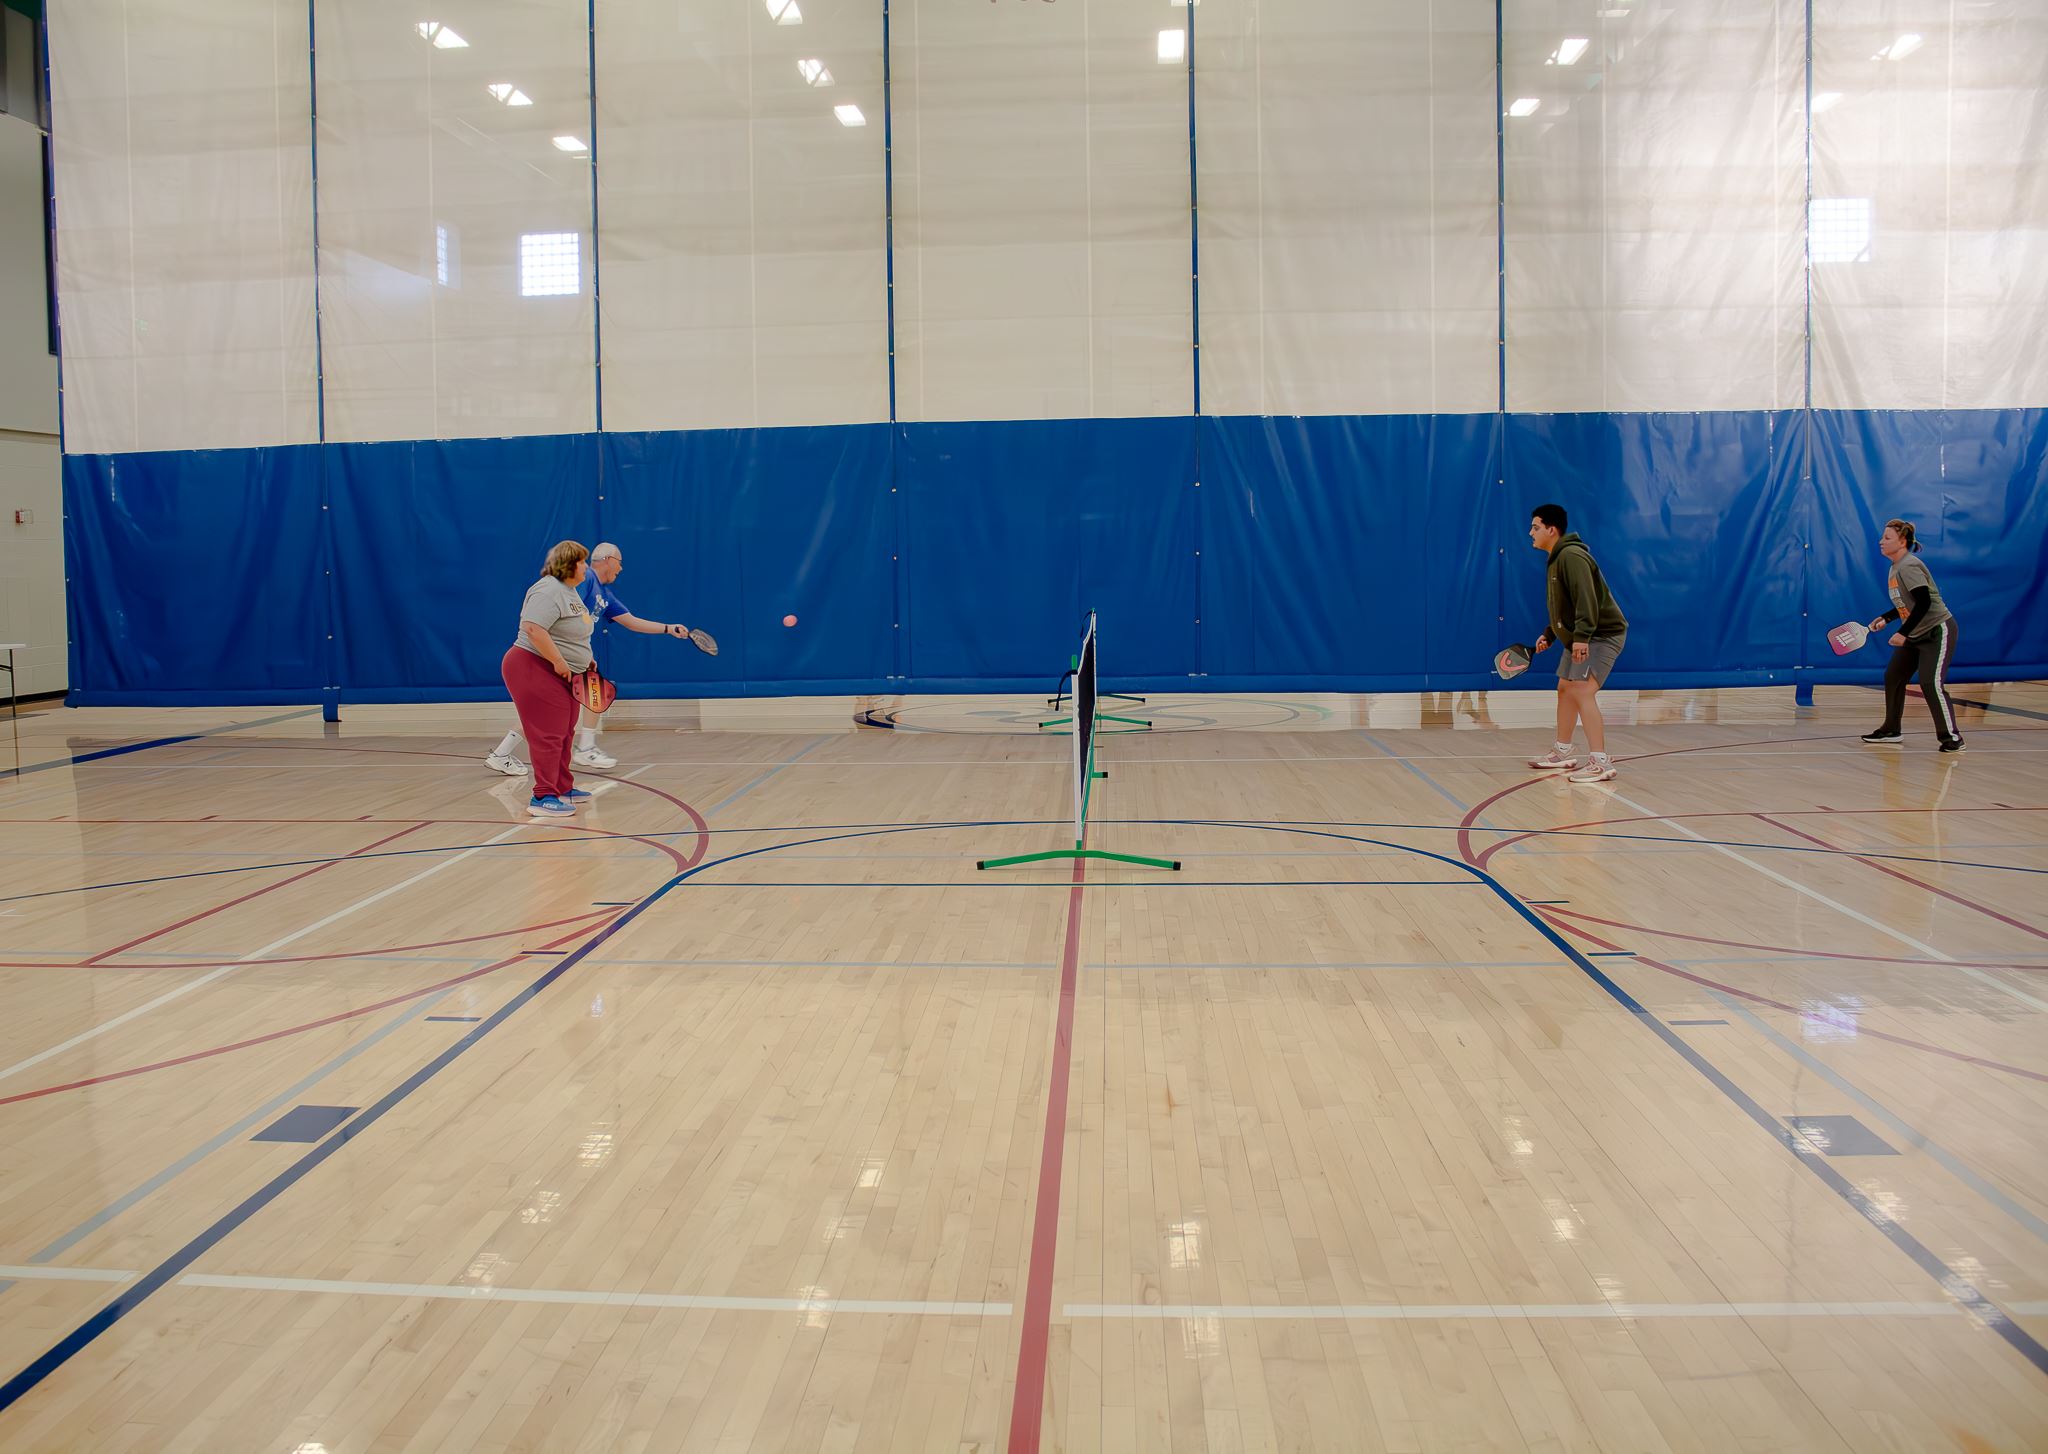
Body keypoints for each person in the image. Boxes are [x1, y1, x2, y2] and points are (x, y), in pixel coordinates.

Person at [485, 541, 700, 774]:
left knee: (556, 708)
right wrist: (562, 655)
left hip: (572, 658)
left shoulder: (604, 595)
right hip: (552, 656)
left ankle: (502, 753)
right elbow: (559, 610)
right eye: (619, 562)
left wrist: (668, 628)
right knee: (593, 692)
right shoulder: (584, 577)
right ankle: (585, 749)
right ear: (607, 559)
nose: (621, 569)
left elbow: (632, 621)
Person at [1524, 503, 1629, 783]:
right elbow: (1563, 606)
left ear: (1551, 529)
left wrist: (1581, 637)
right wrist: (1550, 633)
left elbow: (1587, 600)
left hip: (1601, 634)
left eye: (1535, 527)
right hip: (1583, 635)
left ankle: (1600, 761)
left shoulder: (1571, 556)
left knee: (1582, 691)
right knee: (1565, 688)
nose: (1531, 532)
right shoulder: (1556, 559)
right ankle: (1562, 751)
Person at [502, 540, 597, 818]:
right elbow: (533, 628)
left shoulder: (570, 592)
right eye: (582, 562)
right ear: (568, 564)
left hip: (562, 671)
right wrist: (559, 660)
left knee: (566, 728)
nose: (586, 567)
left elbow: (569, 632)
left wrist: (583, 657)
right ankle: (543, 796)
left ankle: (562, 787)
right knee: (548, 733)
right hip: (533, 667)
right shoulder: (548, 589)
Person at [1861, 518, 1963, 753]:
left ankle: (1952, 738)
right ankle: (1891, 729)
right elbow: (1908, 603)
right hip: (1915, 632)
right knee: (1894, 676)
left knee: (1931, 684)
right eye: (1882, 537)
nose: (1881, 542)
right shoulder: (1895, 567)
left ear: (1902, 541)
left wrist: (1902, 633)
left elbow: (1925, 602)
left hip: (1937, 631)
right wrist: (1887, 618)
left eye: (1887, 538)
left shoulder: (1909, 565)